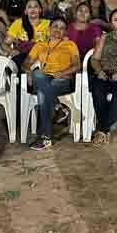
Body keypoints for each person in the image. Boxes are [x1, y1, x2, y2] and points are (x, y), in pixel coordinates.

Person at [23, 16, 81, 150]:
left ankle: (46, 135)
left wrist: (63, 73)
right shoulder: (40, 45)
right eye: (55, 26)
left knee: (44, 89)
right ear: (49, 29)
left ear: (65, 32)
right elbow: (27, 63)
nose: (57, 30)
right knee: (39, 76)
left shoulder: (70, 45)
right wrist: (28, 72)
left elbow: (77, 65)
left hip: (62, 80)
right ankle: (56, 109)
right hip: (44, 78)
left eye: (61, 28)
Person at [90, 9, 117, 147]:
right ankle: (106, 127)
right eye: (116, 19)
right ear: (111, 23)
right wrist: (99, 71)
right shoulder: (105, 37)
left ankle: (102, 129)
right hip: (104, 74)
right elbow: (95, 59)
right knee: (97, 90)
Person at [6, 0, 50, 66]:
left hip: (41, 58)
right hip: (21, 57)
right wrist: (12, 51)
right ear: (25, 11)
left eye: (35, 6)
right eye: (29, 7)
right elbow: (6, 43)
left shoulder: (48, 24)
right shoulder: (18, 23)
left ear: (40, 10)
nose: (33, 9)